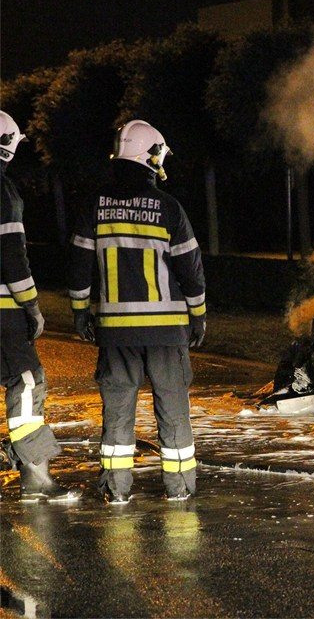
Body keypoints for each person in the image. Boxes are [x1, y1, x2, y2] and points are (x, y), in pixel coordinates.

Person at [69, 120, 206, 504]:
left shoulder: (95, 205)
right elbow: (191, 269)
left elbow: (79, 264)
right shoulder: (168, 208)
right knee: (173, 410)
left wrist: (80, 311)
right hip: (166, 332)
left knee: (117, 412)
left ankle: (116, 490)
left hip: (116, 334)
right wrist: (198, 315)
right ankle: (180, 489)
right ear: (151, 157)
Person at [0, 110, 79, 501]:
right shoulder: (3, 192)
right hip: (3, 311)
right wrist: (31, 304)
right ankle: (37, 479)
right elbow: (12, 256)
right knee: (28, 382)